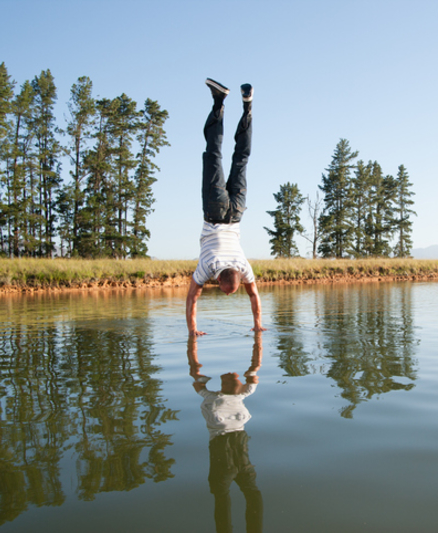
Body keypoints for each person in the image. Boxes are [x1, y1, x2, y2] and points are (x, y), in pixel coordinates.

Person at [186, 78, 265, 336]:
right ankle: (219, 101)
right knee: (213, 154)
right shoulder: (208, 265)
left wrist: (257, 325)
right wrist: (192, 331)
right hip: (215, 211)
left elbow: (254, 295)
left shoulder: (244, 266)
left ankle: (247, 107)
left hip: (237, 212)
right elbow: (192, 298)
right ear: (218, 279)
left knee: (241, 159)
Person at [188, 335, 264, 533]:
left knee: (235, 495)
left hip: (235, 450)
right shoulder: (213, 395)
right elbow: (194, 372)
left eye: (235, 377)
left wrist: (258, 340)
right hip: (228, 450)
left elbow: (256, 366)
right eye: (233, 377)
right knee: (230, 495)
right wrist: (192, 343)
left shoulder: (237, 394)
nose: (234, 375)